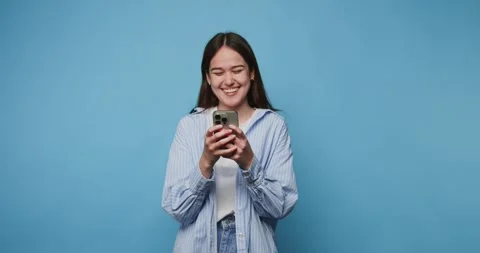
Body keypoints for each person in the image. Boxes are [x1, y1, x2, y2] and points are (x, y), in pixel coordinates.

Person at [161, 32, 298, 253]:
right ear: (208, 77)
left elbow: (280, 207)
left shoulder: (273, 126)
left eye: (237, 70)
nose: (229, 81)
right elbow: (176, 209)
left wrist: (249, 163)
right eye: (218, 72)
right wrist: (206, 162)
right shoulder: (189, 126)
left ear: (252, 72)